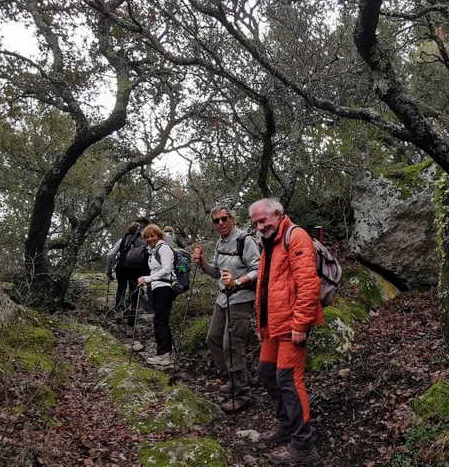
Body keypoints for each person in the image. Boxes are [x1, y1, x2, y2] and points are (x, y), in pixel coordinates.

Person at [248, 198, 323, 464]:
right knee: (267, 373)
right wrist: (262, 325)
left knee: (289, 380)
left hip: (292, 325)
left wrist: (301, 324)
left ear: (277, 214)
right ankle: (286, 426)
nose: (260, 226)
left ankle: (304, 446)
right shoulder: (269, 241)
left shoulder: (296, 236)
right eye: (256, 222)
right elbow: (267, 286)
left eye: (263, 220)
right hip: (274, 326)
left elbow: (308, 284)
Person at [192, 206, 260, 414]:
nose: (220, 223)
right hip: (223, 299)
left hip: (241, 298)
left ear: (232, 219)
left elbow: (259, 269)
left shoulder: (245, 240)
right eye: (216, 221)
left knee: (232, 344)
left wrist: (238, 282)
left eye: (224, 219)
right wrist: (203, 262)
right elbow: (216, 272)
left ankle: (243, 394)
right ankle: (237, 377)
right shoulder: (221, 243)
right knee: (213, 338)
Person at [138, 224, 177, 366]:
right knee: (161, 319)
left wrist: (148, 278)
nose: (149, 239)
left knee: (160, 320)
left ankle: (163, 355)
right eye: (147, 237)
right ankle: (167, 353)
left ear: (160, 236)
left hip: (164, 287)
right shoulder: (153, 251)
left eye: (152, 236)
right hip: (158, 287)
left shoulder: (164, 248)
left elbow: (166, 270)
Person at [105, 216, 151, 325]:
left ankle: (119, 313)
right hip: (137, 269)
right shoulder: (146, 240)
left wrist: (109, 271)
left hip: (122, 267)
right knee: (134, 292)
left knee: (121, 288)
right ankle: (132, 319)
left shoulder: (124, 238)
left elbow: (110, 255)